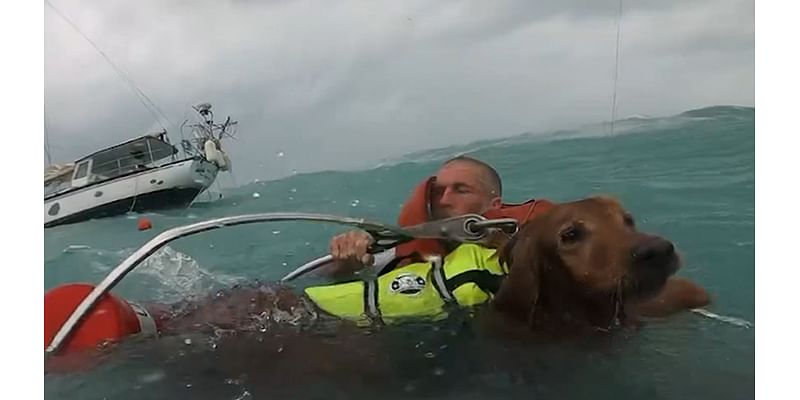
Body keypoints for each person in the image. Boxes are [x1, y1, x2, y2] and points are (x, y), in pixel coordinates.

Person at [323, 155, 505, 277]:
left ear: (494, 204)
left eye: (461, 190)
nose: (443, 200)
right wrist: (346, 264)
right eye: (438, 192)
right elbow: (329, 281)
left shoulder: (519, 250)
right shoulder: (394, 255)